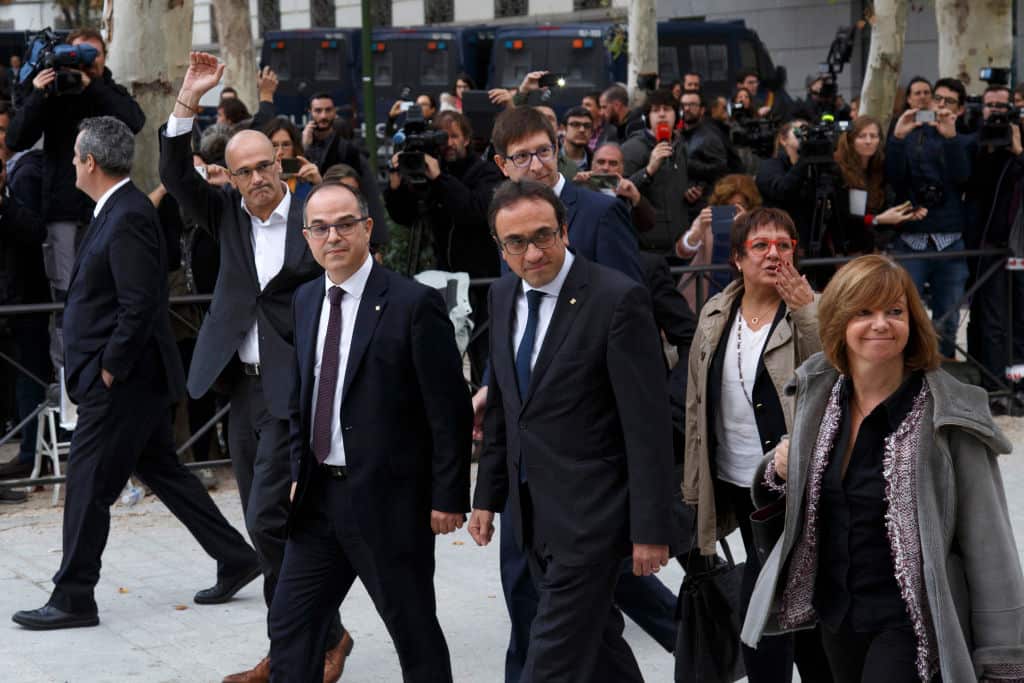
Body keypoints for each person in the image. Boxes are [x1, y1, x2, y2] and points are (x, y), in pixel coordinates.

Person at [11, 116, 259, 630]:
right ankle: (236, 556)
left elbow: (140, 303)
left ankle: (74, 595)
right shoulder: (117, 210)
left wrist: (108, 370)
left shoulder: (126, 214)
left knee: (86, 486)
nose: (72, 164)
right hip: (130, 383)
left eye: (75, 156)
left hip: (123, 385)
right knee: (164, 473)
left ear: (89, 162)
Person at [742, 254, 1024, 682]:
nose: (881, 324)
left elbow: (990, 545)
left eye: (895, 311)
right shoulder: (820, 395)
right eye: (864, 312)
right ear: (839, 320)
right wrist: (779, 472)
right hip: (836, 615)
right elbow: (797, 501)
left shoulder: (948, 414)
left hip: (912, 624)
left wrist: (1004, 661)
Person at [159, 52, 350, 682]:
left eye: (267, 164)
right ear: (230, 178)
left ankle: (306, 641)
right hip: (240, 388)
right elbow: (172, 172)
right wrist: (188, 96)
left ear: (280, 162)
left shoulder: (314, 215)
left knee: (272, 516)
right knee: (262, 520)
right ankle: (309, 639)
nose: (259, 178)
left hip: (296, 390)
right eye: (245, 172)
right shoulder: (224, 216)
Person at [469, 179, 675, 682]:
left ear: (565, 229)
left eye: (544, 235)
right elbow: (504, 413)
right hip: (530, 514)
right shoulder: (500, 297)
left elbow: (647, 426)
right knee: (601, 647)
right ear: (500, 246)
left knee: (550, 661)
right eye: (516, 242)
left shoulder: (615, 299)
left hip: (594, 518)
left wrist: (651, 530)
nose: (533, 252)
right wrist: (486, 497)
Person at [269, 181, 471, 682]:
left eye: (343, 224)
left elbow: (449, 411)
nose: (332, 236)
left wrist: (449, 496)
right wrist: (298, 469)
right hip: (317, 500)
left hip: (388, 502)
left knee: (413, 631)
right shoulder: (304, 300)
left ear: (367, 228)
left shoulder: (412, 304)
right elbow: (301, 398)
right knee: (291, 627)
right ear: (307, 236)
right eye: (320, 227)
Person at [683, 207, 832, 682]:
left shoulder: (816, 308)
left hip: (800, 481)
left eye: (784, 245)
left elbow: (841, 372)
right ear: (737, 259)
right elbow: (696, 406)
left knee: (773, 584)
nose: (774, 255)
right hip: (738, 479)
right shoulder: (714, 315)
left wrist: (808, 308)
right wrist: (693, 486)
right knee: (785, 583)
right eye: (761, 246)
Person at [6, 27, 145, 371]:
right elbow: (17, 137)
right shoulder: (51, 89)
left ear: (104, 58)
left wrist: (92, 85)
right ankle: (71, 378)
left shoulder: (106, 90)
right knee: (68, 299)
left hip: (108, 209)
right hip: (64, 212)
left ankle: (110, 368)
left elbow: (135, 121)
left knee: (113, 291)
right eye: (75, 53)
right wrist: (38, 94)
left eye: (91, 55)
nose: (81, 61)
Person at [886, 84, 970, 359]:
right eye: (937, 98)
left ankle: (946, 370)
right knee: (903, 311)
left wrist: (951, 138)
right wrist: (898, 139)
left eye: (949, 101)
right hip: (912, 239)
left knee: (948, 315)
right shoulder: (906, 135)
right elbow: (895, 179)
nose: (939, 104)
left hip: (950, 239)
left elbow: (963, 178)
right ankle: (907, 371)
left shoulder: (958, 136)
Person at [965, 84, 1024, 412]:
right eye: (991, 106)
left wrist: (1019, 152)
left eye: (1003, 106)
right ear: (981, 108)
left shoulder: (1018, 141)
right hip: (990, 246)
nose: (997, 112)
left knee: (1019, 320)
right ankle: (997, 387)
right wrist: (986, 148)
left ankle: (1019, 384)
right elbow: (968, 182)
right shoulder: (975, 143)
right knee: (993, 320)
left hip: (1019, 247)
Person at [832, 116, 927, 254]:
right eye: (862, 136)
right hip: (843, 249)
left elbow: (881, 213)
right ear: (850, 141)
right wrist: (877, 220)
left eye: (873, 136)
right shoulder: (837, 170)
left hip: (871, 246)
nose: (868, 141)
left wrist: (904, 215)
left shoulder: (879, 168)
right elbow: (843, 218)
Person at [675, 173, 762, 309]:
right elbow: (682, 252)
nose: (734, 210)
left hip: (744, 298)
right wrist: (696, 232)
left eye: (739, 205)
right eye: (728, 205)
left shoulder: (758, 225)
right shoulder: (708, 221)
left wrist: (747, 226)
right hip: (703, 295)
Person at [622, 88, 690, 255]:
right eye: (655, 110)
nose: (661, 115)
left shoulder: (682, 147)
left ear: (677, 115)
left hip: (678, 243)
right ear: (646, 118)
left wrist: (691, 190)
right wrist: (648, 170)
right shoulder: (632, 148)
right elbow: (620, 191)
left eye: (666, 109)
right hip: (645, 247)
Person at [262, 116, 322, 202]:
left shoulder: (306, 179)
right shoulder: (258, 181)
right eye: (274, 145)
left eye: (286, 145)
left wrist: (319, 184)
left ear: (295, 148)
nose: (280, 152)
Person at [560, 106, 594, 172]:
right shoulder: (551, 159)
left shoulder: (596, 162)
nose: (582, 130)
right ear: (563, 129)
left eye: (587, 126)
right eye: (575, 124)